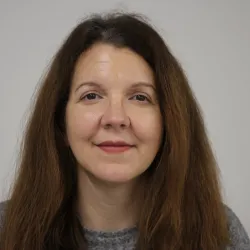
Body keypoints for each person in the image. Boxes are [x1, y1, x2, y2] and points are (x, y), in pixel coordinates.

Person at [0, 11, 249, 250]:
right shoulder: (5, 232)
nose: (116, 118)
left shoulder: (221, 234)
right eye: (92, 95)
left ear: (169, 122)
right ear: (60, 123)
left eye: (140, 97)